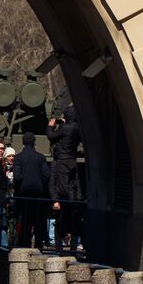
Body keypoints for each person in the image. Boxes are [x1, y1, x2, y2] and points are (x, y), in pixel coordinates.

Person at [47, 106, 84, 252]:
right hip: (72, 160)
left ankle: (59, 246)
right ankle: (74, 245)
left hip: (62, 160)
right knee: (73, 184)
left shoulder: (63, 128)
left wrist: (51, 126)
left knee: (62, 191)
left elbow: (51, 136)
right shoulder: (77, 128)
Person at [11, 132, 51, 248]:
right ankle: (38, 246)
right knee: (38, 220)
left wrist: (25, 181)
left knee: (25, 221)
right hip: (38, 193)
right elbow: (47, 174)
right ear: (34, 142)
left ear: (23, 142)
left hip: (23, 193)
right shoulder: (41, 157)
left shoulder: (18, 158)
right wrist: (39, 182)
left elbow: (17, 177)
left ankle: (25, 245)